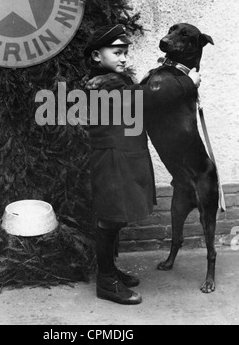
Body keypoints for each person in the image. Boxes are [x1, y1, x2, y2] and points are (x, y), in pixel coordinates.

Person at [83, 24, 201, 305]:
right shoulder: (104, 83)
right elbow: (147, 98)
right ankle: (106, 282)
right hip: (112, 158)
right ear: (97, 57)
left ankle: (110, 271)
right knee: (109, 218)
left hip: (122, 155)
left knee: (116, 217)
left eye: (125, 53)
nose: (124, 58)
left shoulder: (114, 79)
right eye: (116, 52)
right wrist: (187, 82)